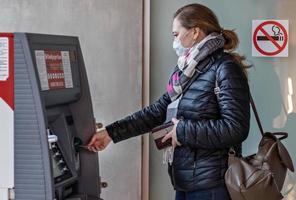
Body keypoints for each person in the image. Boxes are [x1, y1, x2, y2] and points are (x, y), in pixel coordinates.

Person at [87, 3, 250, 200]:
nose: (174, 41)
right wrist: (111, 133)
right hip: (185, 182)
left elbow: (236, 128)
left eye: (176, 34)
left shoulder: (225, 68)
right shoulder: (186, 71)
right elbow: (156, 111)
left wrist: (182, 131)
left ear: (195, 32)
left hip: (213, 186)